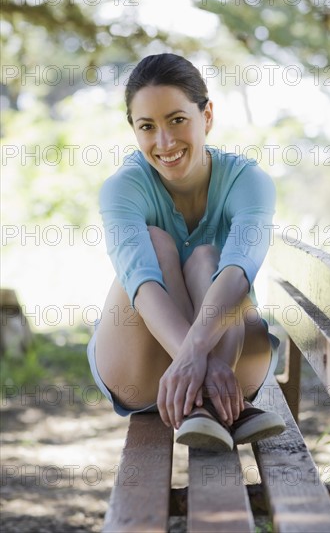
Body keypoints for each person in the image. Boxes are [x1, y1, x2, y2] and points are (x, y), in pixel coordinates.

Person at [86, 53, 285, 452]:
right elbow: (139, 284)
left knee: (209, 258)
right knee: (157, 244)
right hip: (140, 370)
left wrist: (199, 354)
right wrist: (199, 362)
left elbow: (240, 269)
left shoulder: (248, 181)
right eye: (147, 127)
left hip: (236, 365)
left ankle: (204, 400)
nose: (165, 142)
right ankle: (211, 397)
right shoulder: (123, 188)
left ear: (207, 116)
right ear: (134, 130)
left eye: (177, 120)